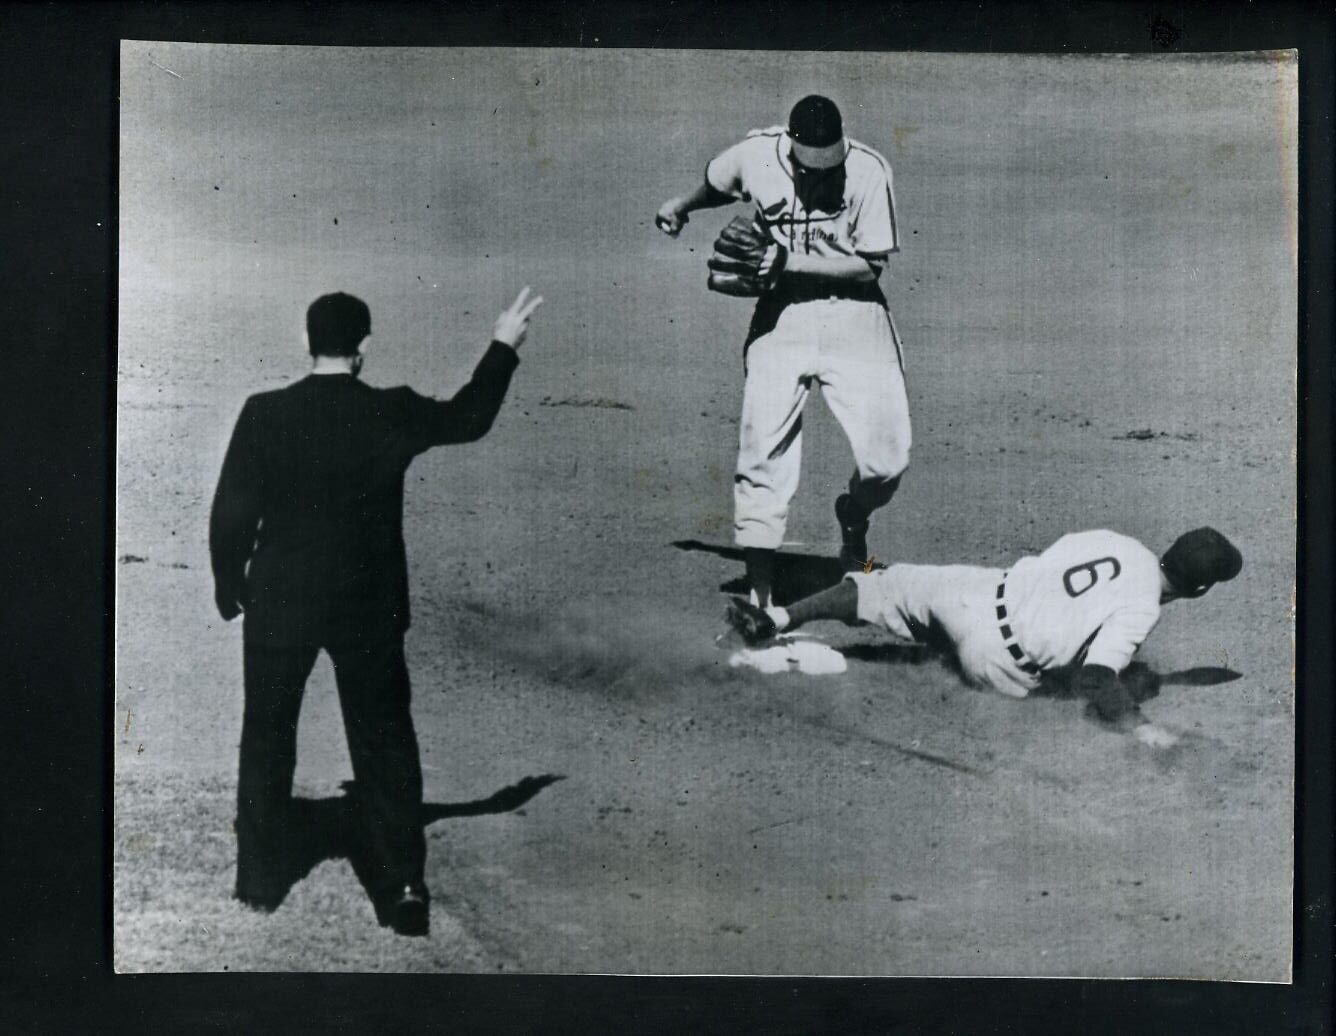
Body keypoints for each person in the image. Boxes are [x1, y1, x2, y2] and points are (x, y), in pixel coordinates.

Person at [209, 287, 542, 935]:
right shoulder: (391, 411)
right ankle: (403, 889)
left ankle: (259, 880)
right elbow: (469, 418)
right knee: (385, 742)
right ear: (363, 347)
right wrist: (503, 343)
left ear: (308, 343)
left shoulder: (265, 412)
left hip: (281, 598)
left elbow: (232, 510)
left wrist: (230, 583)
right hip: (368, 605)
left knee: (268, 734)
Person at [656, 94, 910, 607]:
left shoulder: (868, 170)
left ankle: (854, 517)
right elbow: (717, 185)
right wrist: (680, 206)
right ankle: (760, 594)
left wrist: (784, 260)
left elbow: (870, 267)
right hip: (784, 318)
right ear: (789, 145)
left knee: (887, 462)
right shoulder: (756, 155)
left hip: (855, 316)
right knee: (762, 452)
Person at [725, 527, 1243, 738]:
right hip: (996, 662)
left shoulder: (1116, 541)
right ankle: (802, 657)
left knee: (880, 584)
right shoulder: (1141, 608)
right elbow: (1095, 677)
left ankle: (777, 619)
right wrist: (1141, 729)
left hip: (975, 593)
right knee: (1064, 681)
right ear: (1199, 591)